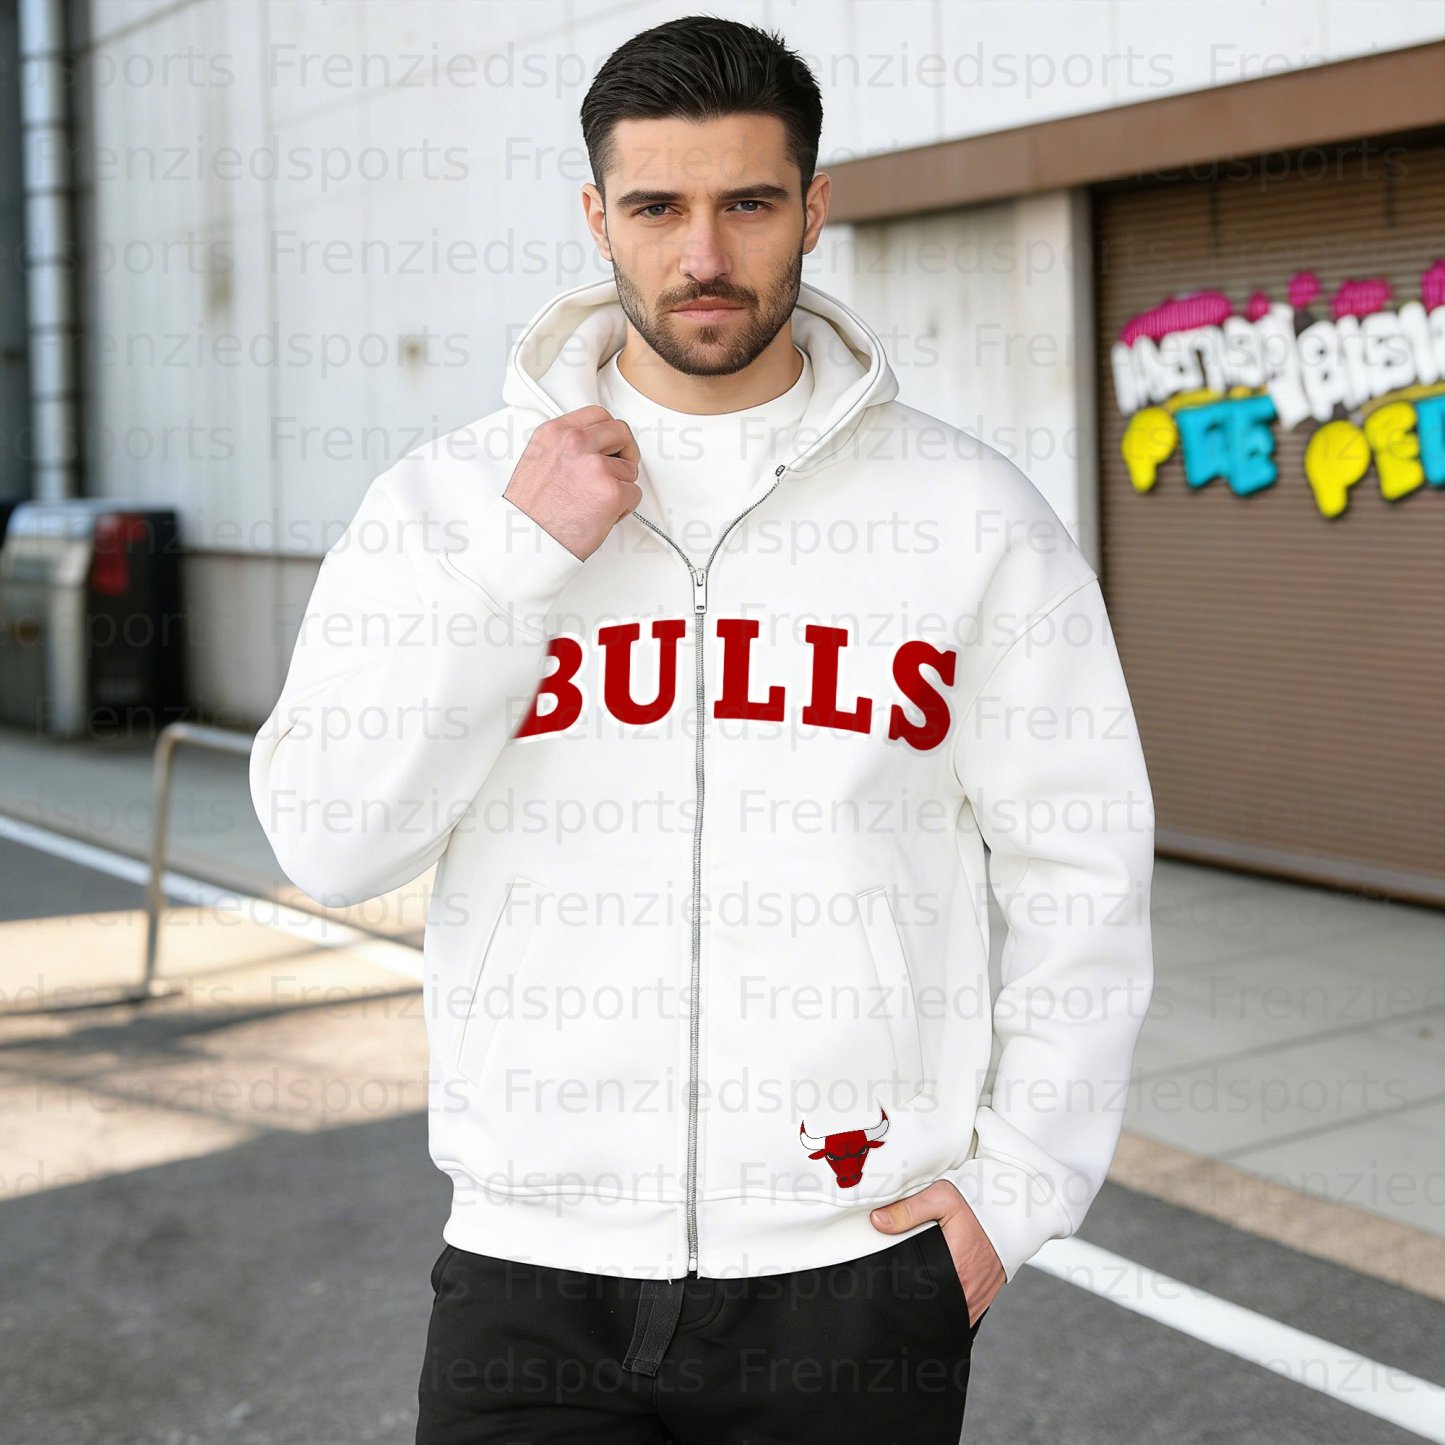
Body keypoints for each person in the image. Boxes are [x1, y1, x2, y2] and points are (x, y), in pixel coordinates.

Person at [249, 15, 1155, 1444]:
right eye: (658, 208)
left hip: (851, 1269)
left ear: (815, 205)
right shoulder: (446, 507)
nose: (704, 256)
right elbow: (329, 839)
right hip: (530, 1271)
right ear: (595, 215)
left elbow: (1080, 868)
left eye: (748, 203)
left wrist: (1016, 1190)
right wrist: (516, 563)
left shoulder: (968, 517)